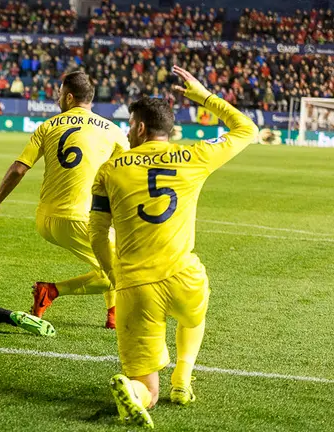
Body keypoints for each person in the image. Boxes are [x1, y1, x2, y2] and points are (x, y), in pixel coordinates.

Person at [88, 66, 258, 428]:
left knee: (147, 387)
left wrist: (113, 273)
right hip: (184, 276)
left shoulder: (110, 170)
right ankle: (182, 379)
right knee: (194, 315)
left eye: (130, 125)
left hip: (136, 286)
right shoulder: (195, 156)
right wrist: (202, 96)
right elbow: (247, 129)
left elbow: (97, 234)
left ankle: (134, 393)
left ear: (139, 128)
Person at [0, 70, 128, 329]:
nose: (58, 98)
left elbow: (18, 169)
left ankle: (113, 313)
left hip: (46, 219)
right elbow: (129, 171)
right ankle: (52, 291)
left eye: (59, 94)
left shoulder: (47, 126)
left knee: (112, 249)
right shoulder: (114, 131)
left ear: (69, 97)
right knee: (122, 271)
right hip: (80, 219)